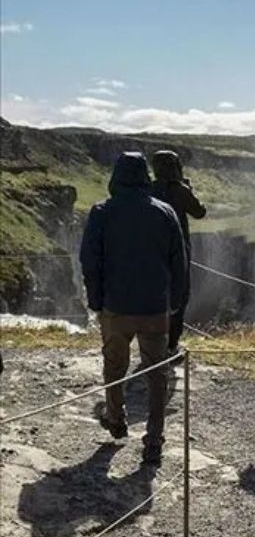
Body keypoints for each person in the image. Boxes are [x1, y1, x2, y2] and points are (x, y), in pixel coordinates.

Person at [79, 152, 186, 466]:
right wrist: (176, 301)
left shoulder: (101, 212)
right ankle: (154, 441)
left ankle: (116, 419)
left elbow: (89, 261)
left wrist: (96, 300)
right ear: (144, 177)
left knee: (114, 367)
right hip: (155, 308)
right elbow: (179, 261)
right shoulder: (166, 213)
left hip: (115, 307)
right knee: (157, 375)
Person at [150, 150, 206, 356]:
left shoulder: (149, 189)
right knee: (179, 295)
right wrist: (189, 189)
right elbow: (200, 212)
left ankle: (153, 343)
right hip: (179, 250)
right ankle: (171, 346)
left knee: (155, 295)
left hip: (153, 251)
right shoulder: (180, 190)